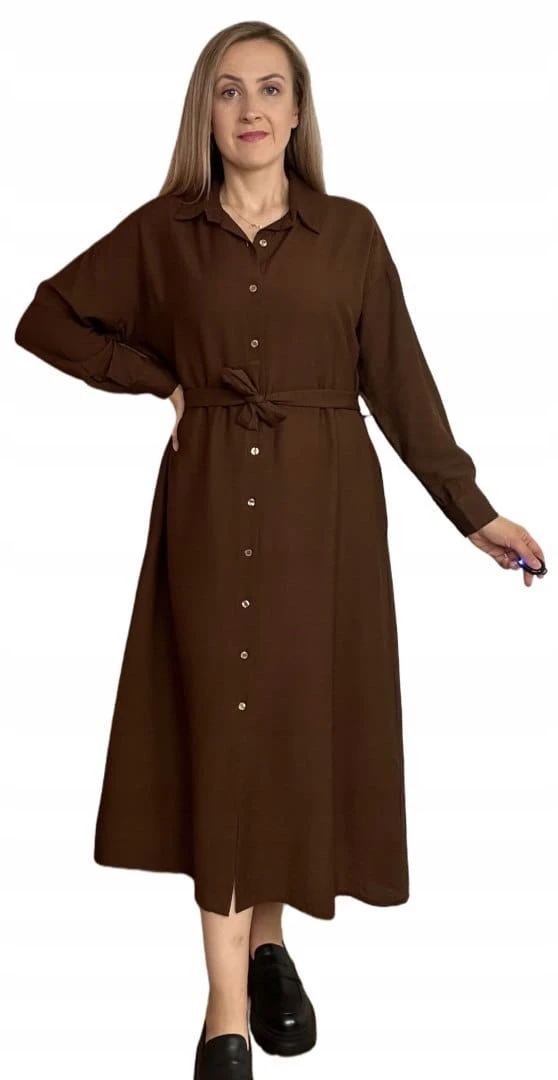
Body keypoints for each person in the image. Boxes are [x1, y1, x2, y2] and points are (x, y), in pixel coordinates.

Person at [14, 19, 546, 1080]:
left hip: (324, 511)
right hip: (211, 498)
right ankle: (225, 1007)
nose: (250, 108)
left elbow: (400, 382)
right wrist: (161, 380)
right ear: (204, 113)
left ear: (299, 111)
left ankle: (270, 948)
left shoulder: (350, 233)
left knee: (291, 721)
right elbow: (47, 318)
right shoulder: (164, 233)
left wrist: (472, 510)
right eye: (228, 90)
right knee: (222, 721)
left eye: (269, 88)